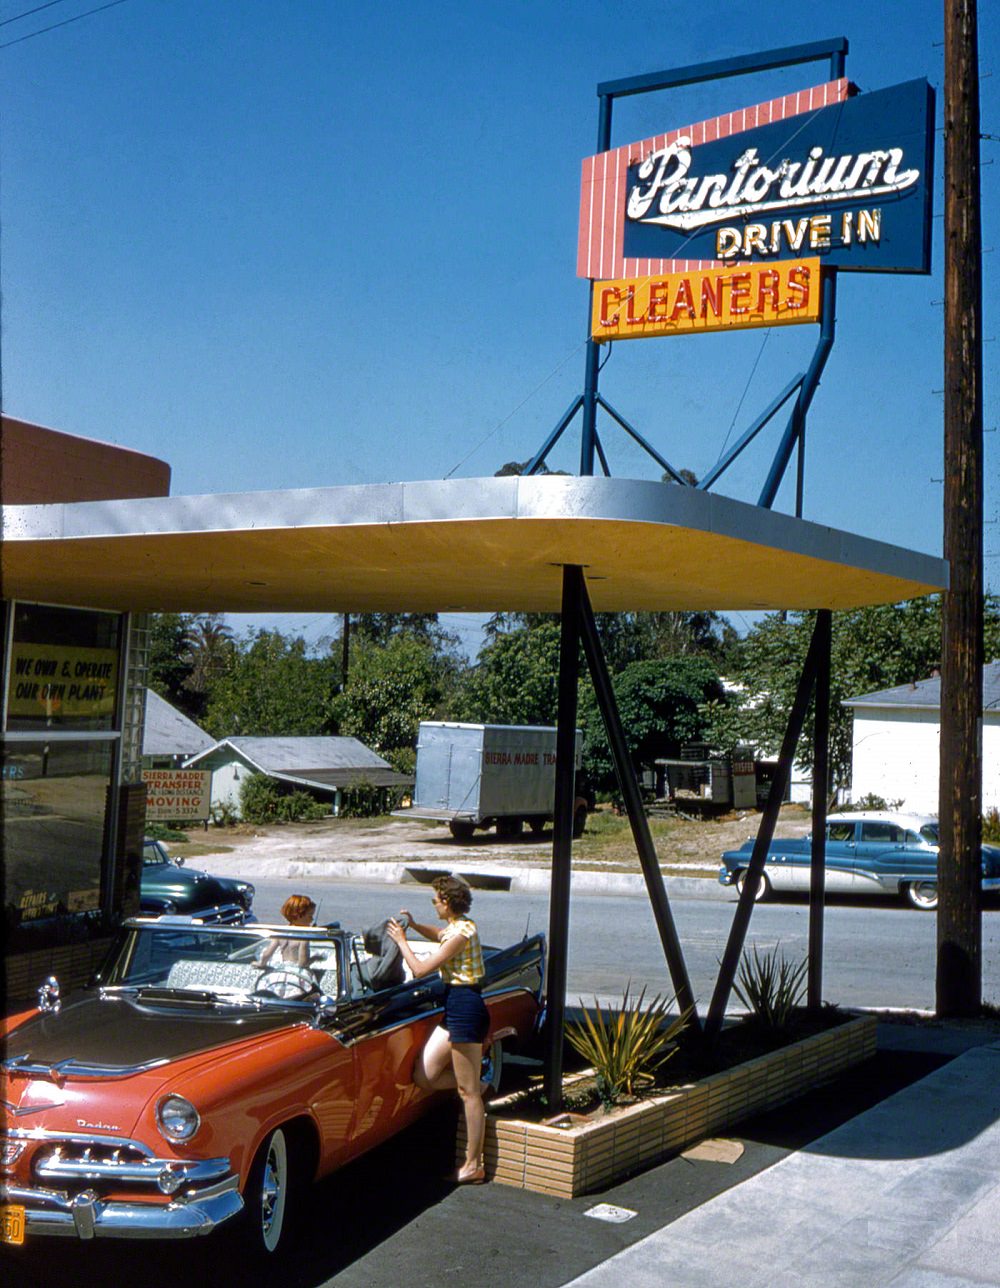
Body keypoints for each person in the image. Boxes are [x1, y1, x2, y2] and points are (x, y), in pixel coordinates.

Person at [387, 875, 489, 1184]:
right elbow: (442, 936)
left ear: (447, 902)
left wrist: (402, 942)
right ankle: (480, 1085)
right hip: (456, 1005)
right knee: (426, 1075)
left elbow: (419, 970)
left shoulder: (461, 932)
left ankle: (473, 1165)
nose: (434, 905)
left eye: (435, 900)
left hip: (466, 1007)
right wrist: (416, 926)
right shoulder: (459, 927)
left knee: (466, 1092)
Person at [259, 893, 316, 969]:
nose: (312, 919)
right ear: (298, 915)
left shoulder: (281, 932)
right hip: (298, 973)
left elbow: (266, 955)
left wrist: (261, 964)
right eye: (310, 916)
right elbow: (303, 963)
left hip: (284, 969)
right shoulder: (303, 936)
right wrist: (316, 958)